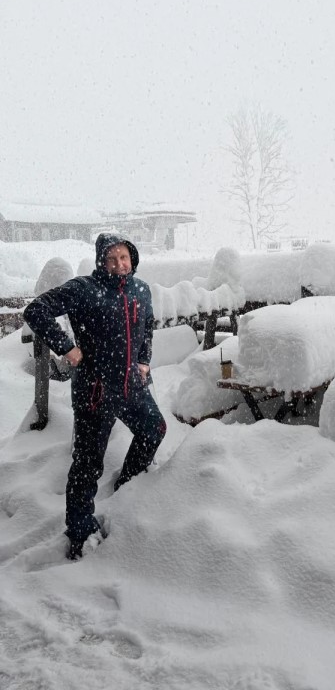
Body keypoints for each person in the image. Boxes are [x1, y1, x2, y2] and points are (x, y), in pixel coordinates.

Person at [24, 233, 166, 560]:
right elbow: (36, 311)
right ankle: (80, 532)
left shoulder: (141, 290)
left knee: (154, 429)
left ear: (132, 259)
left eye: (124, 258)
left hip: (132, 386)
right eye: (112, 259)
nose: (119, 264)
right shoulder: (84, 289)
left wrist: (144, 361)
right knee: (87, 464)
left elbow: (147, 328)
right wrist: (67, 348)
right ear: (102, 261)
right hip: (95, 390)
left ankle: (128, 486)